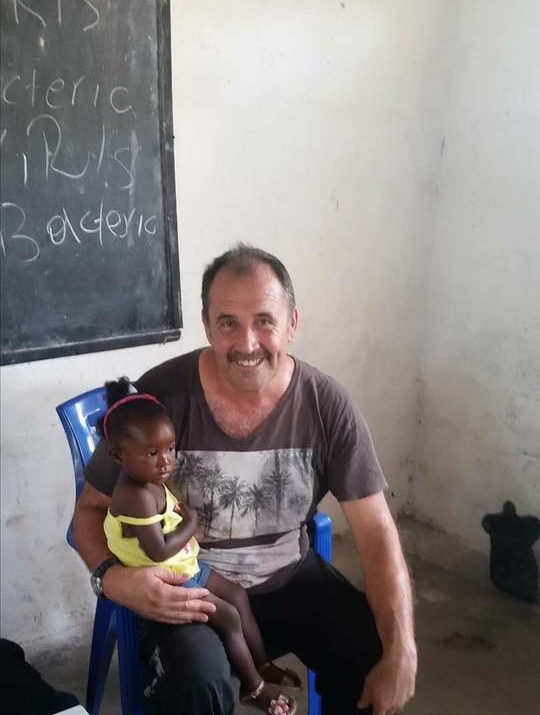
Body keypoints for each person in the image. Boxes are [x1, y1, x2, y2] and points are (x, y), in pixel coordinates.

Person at [74, 244, 417, 715]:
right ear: (206, 324)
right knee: (197, 683)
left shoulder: (326, 404)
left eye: (264, 321)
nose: (247, 343)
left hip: (290, 578)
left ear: (292, 323)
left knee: (375, 657)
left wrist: (404, 650)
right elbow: (90, 510)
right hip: (193, 589)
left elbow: (377, 531)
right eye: (228, 322)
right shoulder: (158, 401)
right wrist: (110, 579)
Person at [100, 377, 299, 715]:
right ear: (118, 456)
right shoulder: (133, 495)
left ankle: (262, 664)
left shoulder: (148, 479)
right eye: (152, 453)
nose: (165, 461)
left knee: (236, 594)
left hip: (184, 564)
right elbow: (158, 550)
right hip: (169, 579)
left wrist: (183, 528)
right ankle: (253, 687)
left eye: (170, 448)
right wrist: (191, 523)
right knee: (230, 617)